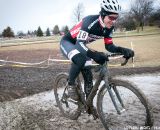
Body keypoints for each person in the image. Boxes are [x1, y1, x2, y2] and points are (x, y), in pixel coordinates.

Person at [60, 0, 134, 101]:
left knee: (88, 76)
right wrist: (95, 55)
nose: (113, 21)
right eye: (111, 18)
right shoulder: (89, 21)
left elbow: (109, 46)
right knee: (80, 59)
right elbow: (79, 43)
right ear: (103, 15)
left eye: (116, 18)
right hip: (68, 42)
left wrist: (123, 50)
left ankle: (88, 104)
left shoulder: (109, 27)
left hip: (81, 45)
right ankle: (70, 85)